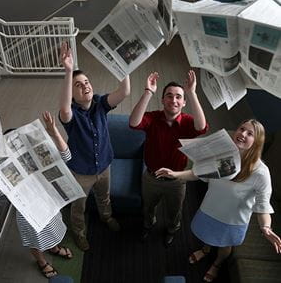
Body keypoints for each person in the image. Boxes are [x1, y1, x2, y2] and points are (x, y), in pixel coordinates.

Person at [156, 119, 281, 282]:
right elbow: (198, 173)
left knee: (224, 245)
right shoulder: (224, 156)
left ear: (257, 142)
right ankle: (206, 250)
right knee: (208, 236)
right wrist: (175, 174)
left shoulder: (261, 173)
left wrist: (266, 227)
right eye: (241, 128)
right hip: (210, 208)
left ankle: (217, 263)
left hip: (232, 220)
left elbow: (263, 205)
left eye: (250, 133)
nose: (242, 134)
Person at [0, 112, 73, 279]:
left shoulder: (37, 156)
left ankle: (54, 247)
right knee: (35, 241)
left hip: (49, 207)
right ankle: (41, 262)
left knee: (53, 230)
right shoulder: (5, 169)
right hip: (28, 215)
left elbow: (66, 156)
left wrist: (54, 132)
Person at [59, 42, 131, 251]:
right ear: (72, 95)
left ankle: (106, 217)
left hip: (105, 166)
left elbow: (124, 91)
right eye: (78, 85)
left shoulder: (100, 103)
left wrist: (123, 64)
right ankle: (79, 233)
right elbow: (64, 107)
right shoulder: (69, 114)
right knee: (78, 206)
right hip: (81, 172)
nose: (85, 86)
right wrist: (68, 71)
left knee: (104, 196)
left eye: (86, 82)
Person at [129, 70, 208, 247]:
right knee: (148, 207)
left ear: (184, 102)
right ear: (163, 100)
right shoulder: (153, 117)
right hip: (152, 176)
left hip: (177, 179)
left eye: (179, 97)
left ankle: (172, 229)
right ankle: (148, 224)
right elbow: (134, 122)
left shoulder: (188, 121)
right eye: (169, 96)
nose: (174, 100)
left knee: (175, 210)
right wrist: (148, 92)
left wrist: (192, 92)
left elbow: (201, 127)